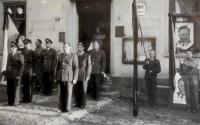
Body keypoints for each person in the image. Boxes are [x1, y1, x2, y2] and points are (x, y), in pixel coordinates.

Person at [55, 42, 79, 113]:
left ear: (69, 47)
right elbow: (58, 67)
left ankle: (67, 108)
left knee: (68, 93)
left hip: (69, 77)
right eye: (63, 46)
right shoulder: (60, 55)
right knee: (60, 93)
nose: (64, 48)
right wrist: (56, 76)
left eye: (66, 47)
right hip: (60, 76)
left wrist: (75, 78)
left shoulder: (73, 55)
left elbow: (76, 68)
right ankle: (60, 108)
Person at [4, 42, 24, 106]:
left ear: (16, 48)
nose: (11, 49)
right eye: (11, 47)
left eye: (12, 48)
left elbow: (21, 66)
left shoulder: (20, 56)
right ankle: (10, 102)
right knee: (9, 89)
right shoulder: (9, 55)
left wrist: (19, 75)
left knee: (16, 89)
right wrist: (6, 74)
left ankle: (16, 102)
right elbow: (7, 65)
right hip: (9, 75)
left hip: (15, 75)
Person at [74, 42, 91, 109]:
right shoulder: (75, 55)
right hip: (76, 75)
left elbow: (89, 66)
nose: (78, 48)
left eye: (80, 47)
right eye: (78, 47)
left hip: (83, 74)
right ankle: (77, 103)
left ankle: (82, 104)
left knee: (83, 90)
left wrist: (88, 75)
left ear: (83, 48)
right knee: (76, 89)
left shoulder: (87, 55)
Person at [21, 39, 37, 103]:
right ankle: (24, 98)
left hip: (30, 70)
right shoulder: (22, 53)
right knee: (24, 85)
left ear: (30, 44)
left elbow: (35, 63)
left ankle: (29, 98)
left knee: (29, 85)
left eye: (27, 44)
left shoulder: (33, 53)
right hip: (24, 71)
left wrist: (34, 72)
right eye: (25, 44)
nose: (26, 46)